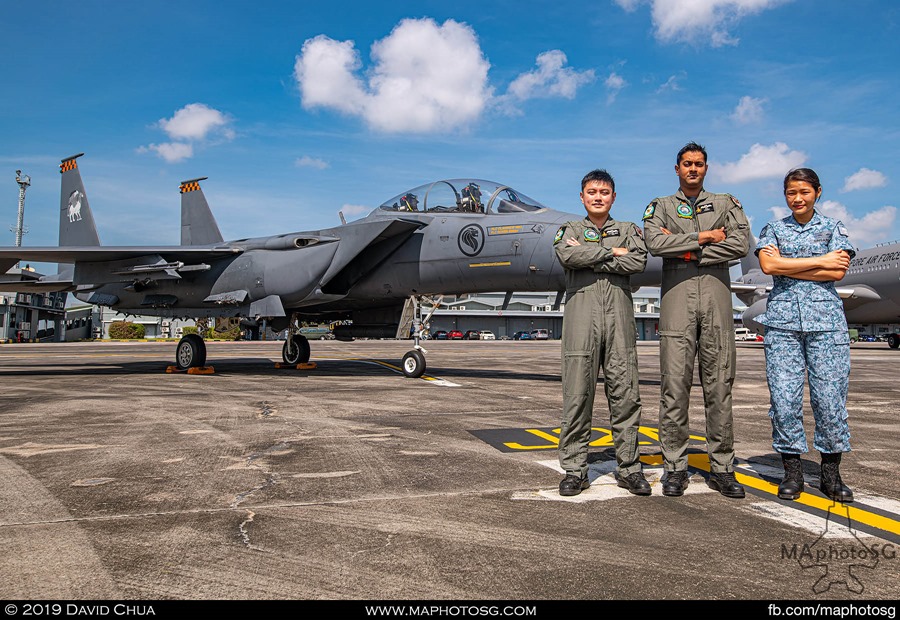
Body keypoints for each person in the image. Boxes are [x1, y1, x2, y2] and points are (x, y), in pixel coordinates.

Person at [643, 142, 751, 498]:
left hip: (716, 301)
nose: (693, 169)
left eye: (699, 164)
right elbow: (654, 243)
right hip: (677, 300)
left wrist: (686, 251)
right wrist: (702, 238)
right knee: (674, 388)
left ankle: (722, 467)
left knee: (719, 386)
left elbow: (740, 244)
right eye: (687, 164)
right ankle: (675, 466)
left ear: (707, 168)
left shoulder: (725, 203)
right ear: (677, 169)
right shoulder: (660, 206)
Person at [755, 168, 855, 503]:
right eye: (790, 193)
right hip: (783, 325)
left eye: (804, 192)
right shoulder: (774, 228)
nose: (797, 199)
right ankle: (793, 473)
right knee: (784, 401)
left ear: (817, 192)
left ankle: (831, 475)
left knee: (829, 402)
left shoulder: (833, 227)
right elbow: (769, 267)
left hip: (826, 325)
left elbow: (838, 270)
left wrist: (790, 263)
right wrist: (819, 260)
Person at [554, 169, 650, 497]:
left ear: (613, 197)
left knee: (625, 395)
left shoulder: (627, 230)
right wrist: (612, 252)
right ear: (582, 197)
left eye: (604, 192)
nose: (598, 196)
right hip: (581, 320)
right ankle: (575, 469)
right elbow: (567, 254)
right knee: (577, 395)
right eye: (592, 192)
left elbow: (637, 261)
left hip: (619, 321)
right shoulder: (570, 230)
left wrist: (591, 256)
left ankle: (630, 468)